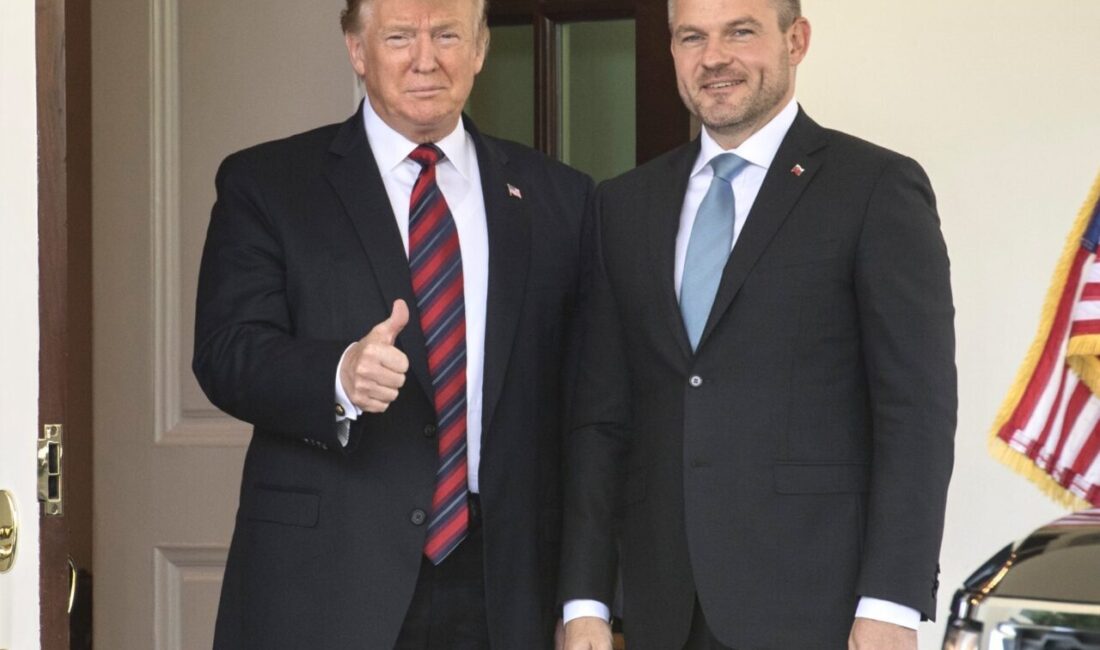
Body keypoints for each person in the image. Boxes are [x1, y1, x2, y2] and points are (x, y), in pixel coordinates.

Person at [192, 0, 593, 646]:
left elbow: (588, 408)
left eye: (448, 35)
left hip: (504, 586)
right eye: (401, 36)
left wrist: (586, 599)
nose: (425, 60)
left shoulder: (561, 197)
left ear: (481, 48)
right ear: (357, 50)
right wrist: (338, 374)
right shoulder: (268, 184)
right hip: (327, 580)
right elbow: (226, 351)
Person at [559, 0, 956, 648]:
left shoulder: (875, 188)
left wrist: (893, 602)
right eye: (692, 37)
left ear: (796, 40)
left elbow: (916, 413)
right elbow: (602, 420)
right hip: (662, 609)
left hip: (820, 608)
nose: (714, 57)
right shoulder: (623, 205)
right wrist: (585, 600)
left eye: (740, 32)